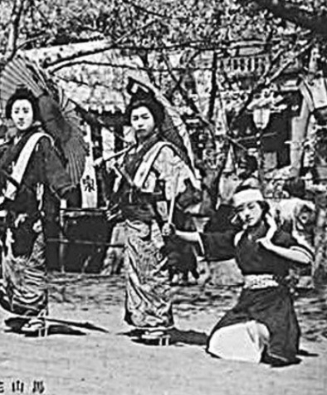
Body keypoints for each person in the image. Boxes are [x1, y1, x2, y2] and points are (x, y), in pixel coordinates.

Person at [166, 188, 313, 365]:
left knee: (277, 341)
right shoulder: (239, 238)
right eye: (241, 210)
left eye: (251, 207)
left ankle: (269, 341)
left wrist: (272, 247)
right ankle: (258, 342)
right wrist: (176, 233)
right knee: (218, 340)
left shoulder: (276, 235)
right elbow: (207, 239)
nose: (246, 214)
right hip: (249, 298)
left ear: (262, 208)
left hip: (274, 299)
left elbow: (305, 258)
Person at [110, 93, 200, 344]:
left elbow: (177, 185)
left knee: (153, 271)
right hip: (132, 218)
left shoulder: (163, 151)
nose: (139, 123)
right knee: (135, 272)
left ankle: (158, 322)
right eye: (135, 118)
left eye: (145, 118)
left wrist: (161, 195)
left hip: (152, 219)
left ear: (156, 121)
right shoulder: (131, 152)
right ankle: (141, 318)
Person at [0, 87, 75, 336]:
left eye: (26, 110)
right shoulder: (11, 144)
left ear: (35, 114)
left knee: (33, 263)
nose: (21, 116)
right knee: (12, 264)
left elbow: (54, 171)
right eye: (16, 111)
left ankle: (37, 315)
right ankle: (21, 311)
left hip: (34, 212)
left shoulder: (41, 142)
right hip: (12, 213)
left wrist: (65, 189)